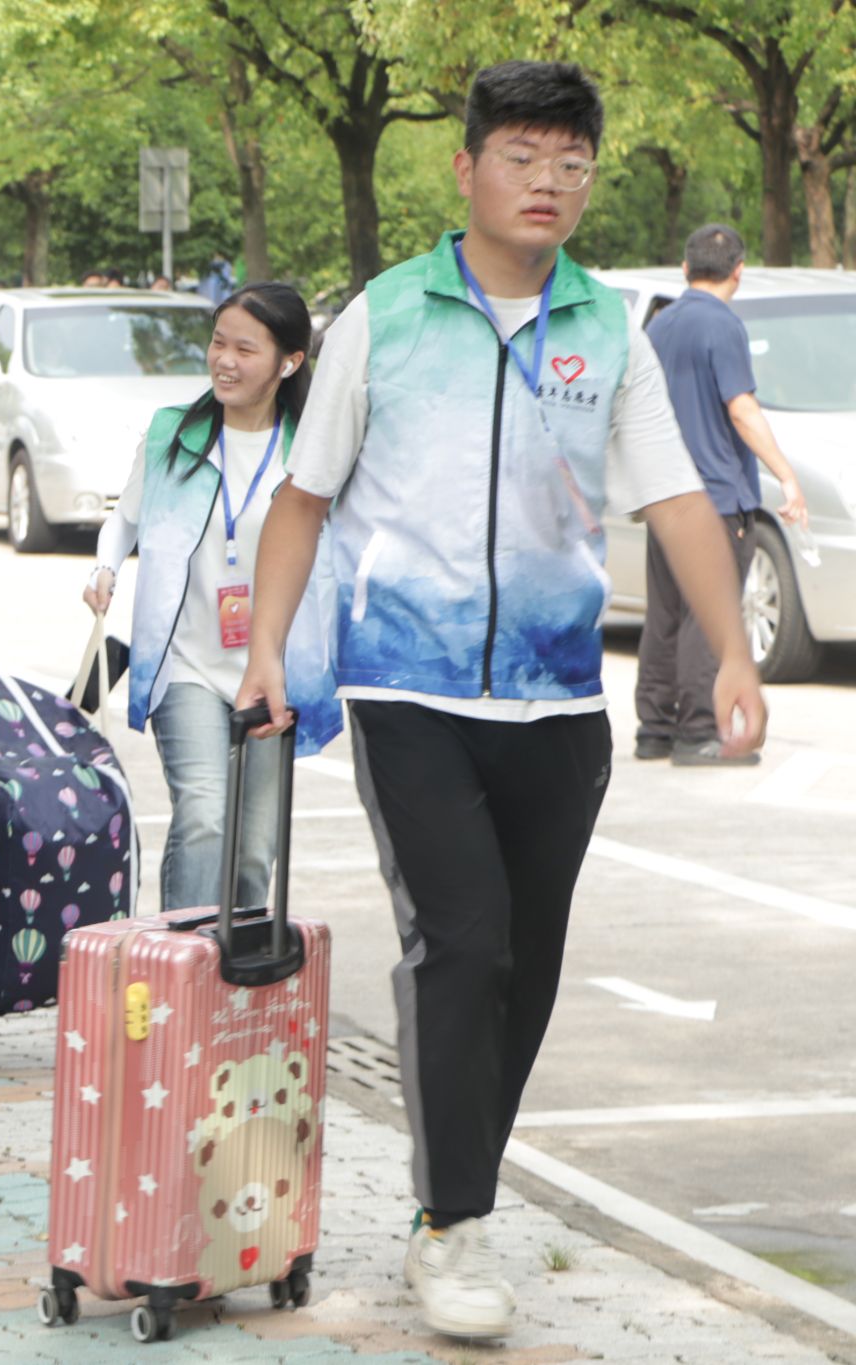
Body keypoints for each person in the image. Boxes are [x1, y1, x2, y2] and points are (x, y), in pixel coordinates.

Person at [235, 62, 767, 1342]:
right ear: (465, 167)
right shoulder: (384, 316)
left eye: (570, 165)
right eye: (522, 158)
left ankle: (453, 1201)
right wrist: (263, 652)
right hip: (404, 688)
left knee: (523, 967)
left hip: (556, 704)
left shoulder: (606, 329)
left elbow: (675, 498)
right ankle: (453, 1223)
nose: (546, 184)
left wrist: (731, 653)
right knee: (463, 942)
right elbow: (302, 499)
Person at [86, 283, 327, 913]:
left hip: (272, 671)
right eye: (219, 343)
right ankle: (182, 959)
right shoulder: (174, 433)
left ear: (289, 362)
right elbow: (124, 519)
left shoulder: (311, 449)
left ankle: (231, 966)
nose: (224, 360)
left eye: (245, 350)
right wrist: (106, 568)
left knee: (254, 852)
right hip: (187, 664)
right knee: (204, 817)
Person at [636, 224, 807, 767]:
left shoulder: (659, 325)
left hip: (666, 496)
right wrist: (786, 475)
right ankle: (699, 732)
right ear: (739, 271)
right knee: (709, 615)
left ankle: (654, 728)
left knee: (665, 611)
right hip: (716, 500)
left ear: (686, 269)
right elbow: (742, 409)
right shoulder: (724, 326)